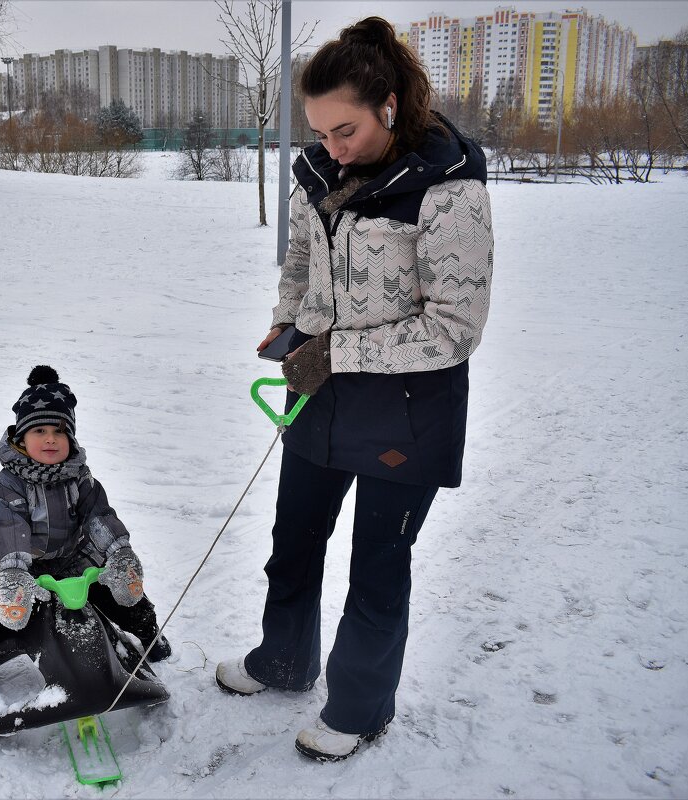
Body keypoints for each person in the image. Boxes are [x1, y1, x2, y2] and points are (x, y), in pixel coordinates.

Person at [215, 16, 494, 762]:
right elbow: (300, 267)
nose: (332, 148)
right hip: (320, 397)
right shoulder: (316, 176)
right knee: (293, 542)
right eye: (320, 131)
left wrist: (335, 349)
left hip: (408, 412)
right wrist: (286, 327)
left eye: (346, 130)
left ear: (391, 106)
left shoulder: (447, 185)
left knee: (377, 564)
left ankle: (360, 707)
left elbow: (454, 328)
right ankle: (282, 659)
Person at [0, 365, 170, 696]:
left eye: (59, 430)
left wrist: (117, 552)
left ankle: (148, 631)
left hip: (71, 558)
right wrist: (12, 571)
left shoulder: (80, 478)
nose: (50, 438)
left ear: (71, 438)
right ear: (21, 438)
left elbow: (98, 515)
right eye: (39, 431)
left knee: (121, 591)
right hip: (15, 566)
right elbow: (7, 527)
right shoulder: (9, 483)